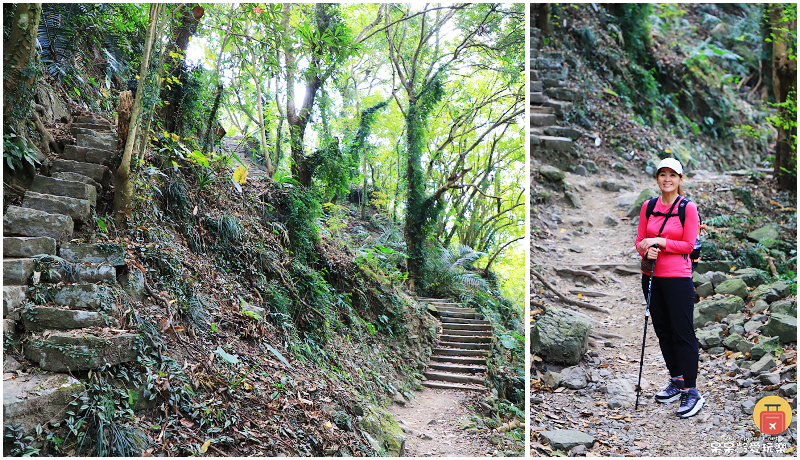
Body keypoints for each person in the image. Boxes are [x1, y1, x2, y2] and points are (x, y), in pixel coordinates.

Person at [635, 158, 704, 418]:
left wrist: (659, 242)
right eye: (662, 174)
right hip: (650, 274)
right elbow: (640, 239)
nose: (667, 179)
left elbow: (687, 245)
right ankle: (676, 380)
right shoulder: (648, 206)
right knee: (663, 330)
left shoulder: (688, 208)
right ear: (657, 178)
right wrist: (645, 247)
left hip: (677, 277)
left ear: (680, 179)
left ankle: (692, 392)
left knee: (682, 332)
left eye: (672, 175)